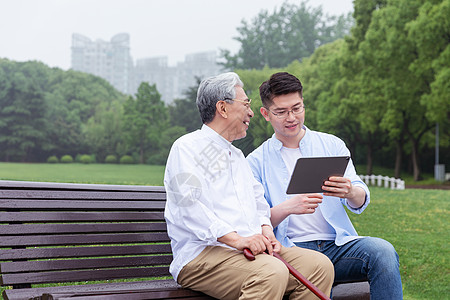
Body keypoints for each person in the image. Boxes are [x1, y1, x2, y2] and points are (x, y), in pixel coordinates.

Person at [164, 72, 334, 300]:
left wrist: (265, 231)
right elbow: (189, 207)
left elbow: (258, 202)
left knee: (318, 266)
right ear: (223, 109)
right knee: (270, 272)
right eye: (245, 104)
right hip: (201, 256)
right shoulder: (187, 147)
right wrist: (238, 240)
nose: (252, 113)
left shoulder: (237, 155)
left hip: (249, 252)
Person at [247, 72, 403, 299]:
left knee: (383, 252)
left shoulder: (331, 144)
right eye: (281, 112)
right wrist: (288, 207)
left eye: (297, 108)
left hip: (338, 245)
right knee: (316, 269)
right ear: (265, 114)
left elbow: (360, 198)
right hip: (291, 250)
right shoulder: (255, 161)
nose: (291, 117)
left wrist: (350, 192)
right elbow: (254, 221)